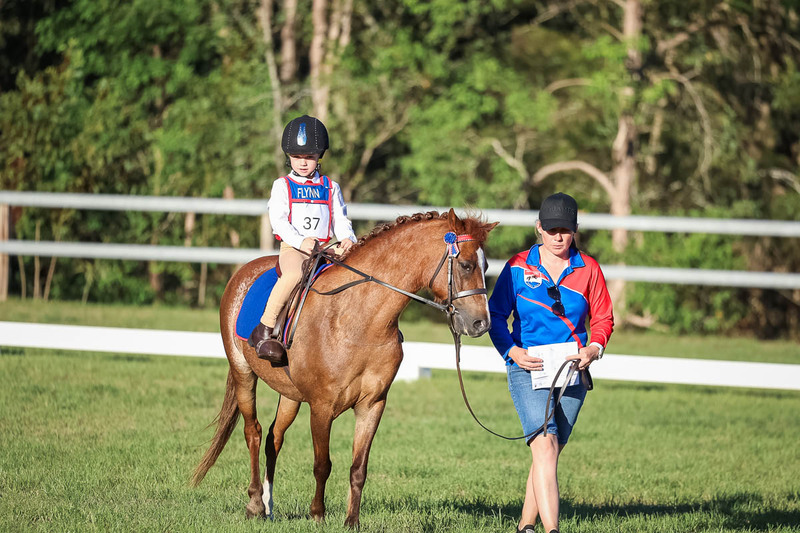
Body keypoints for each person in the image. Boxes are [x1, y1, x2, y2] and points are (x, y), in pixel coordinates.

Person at [488, 192, 614, 533]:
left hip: (573, 370)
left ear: (575, 230)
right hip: (527, 367)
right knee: (544, 446)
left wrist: (593, 349)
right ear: (538, 228)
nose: (559, 237)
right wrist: (513, 353)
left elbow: (603, 319)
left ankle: (525, 526)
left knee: (550, 452)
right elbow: (496, 316)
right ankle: (552, 530)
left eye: (566, 230)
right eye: (552, 229)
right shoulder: (516, 266)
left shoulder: (589, 269)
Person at [248, 115, 357, 363]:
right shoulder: (282, 185)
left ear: (319, 157)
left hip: (327, 248)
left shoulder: (331, 187)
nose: (303, 163)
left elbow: (340, 219)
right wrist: (301, 242)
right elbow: (279, 221)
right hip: (295, 248)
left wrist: (348, 238)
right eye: (297, 157)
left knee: (359, 269)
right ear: (289, 157)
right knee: (294, 275)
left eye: (309, 157)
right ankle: (265, 330)